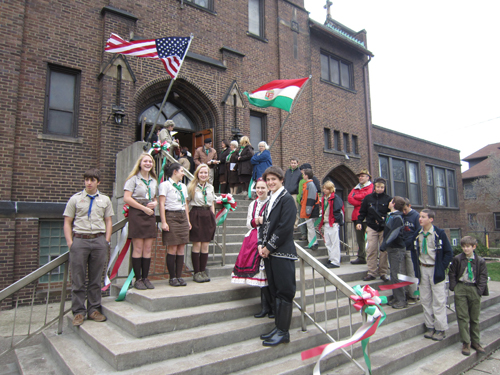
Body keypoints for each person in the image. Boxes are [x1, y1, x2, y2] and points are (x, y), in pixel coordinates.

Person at [63, 169, 113, 326]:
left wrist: (106, 240)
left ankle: (93, 310)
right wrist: (71, 243)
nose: (89, 182)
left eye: (92, 180)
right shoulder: (75, 199)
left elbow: (108, 220)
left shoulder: (105, 200)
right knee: (78, 278)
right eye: (86, 179)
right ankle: (78, 312)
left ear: (98, 182)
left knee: (95, 278)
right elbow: (67, 222)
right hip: (80, 240)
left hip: (98, 241)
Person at [258, 166, 297, 346]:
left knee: (284, 292)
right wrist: (261, 245)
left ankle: (283, 332)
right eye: (268, 179)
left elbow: (284, 227)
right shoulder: (271, 199)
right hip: (270, 254)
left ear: (282, 180)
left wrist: (269, 246)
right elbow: (264, 225)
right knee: (275, 291)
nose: (271, 182)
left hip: (282, 253)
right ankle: (278, 328)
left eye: (274, 179)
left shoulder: (287, 199)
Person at [231, 178, 273, 318]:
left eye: (263, 188)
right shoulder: (253, 204)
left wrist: (264, 221)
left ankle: (271, 307)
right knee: (261, 274)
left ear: (268, 189)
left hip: (267, 238)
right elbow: (248, 224)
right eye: (258, 188)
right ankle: (265, 307)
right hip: (254, 239)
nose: (260, 191)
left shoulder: (272, 202)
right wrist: (256, 220)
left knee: (267, 275)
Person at [415, 209, 453, 342]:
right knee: (425, 299)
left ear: (431, 219)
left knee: (439, 300)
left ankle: (440, 328)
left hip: (435, 270)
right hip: (423, 269)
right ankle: (429, 326)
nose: (420, 219)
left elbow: (449, 252)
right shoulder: (418, 234)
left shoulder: (439, 233)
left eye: (423, 217)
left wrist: (441, 267)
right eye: (419, 216)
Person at [123, 153, 158, 290]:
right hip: (138, 213)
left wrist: (154, 203)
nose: (148, 163)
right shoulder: (133, 179)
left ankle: (145, 278)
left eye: (150, 161)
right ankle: (137, 279)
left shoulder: (154, 180)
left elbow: (155, 198)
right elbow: (127, 198)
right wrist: (143, 208)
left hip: (149, 213)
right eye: (145, 161)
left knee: (148, 248)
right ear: (140, 163)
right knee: (138, 247)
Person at [449, 236, 488, 356]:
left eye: (468, 247)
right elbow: (452, 272)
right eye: (464, 247)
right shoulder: (458, 259)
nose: (466, 249)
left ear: (474, 247)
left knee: (474, 317)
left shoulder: (480, 261)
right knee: (462, 316)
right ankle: (466, 342)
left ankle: (475, 341)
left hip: (474, 289)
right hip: (461, 287)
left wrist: (479, 290)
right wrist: (455, 287)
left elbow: (483, 276)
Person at [159, 163, 192, 287]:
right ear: (175, 172)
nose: (183, 173)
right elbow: (161, 204)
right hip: (171, 216)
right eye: (182, 171)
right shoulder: (165, 185)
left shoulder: (183, 186)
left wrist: (188, 220)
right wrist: (164, 221)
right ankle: (172, 277)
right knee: (172, 247)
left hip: (182, 216)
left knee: (181, 247)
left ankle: (179, 276)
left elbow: (185, 204)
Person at [356, 177, 392, 282]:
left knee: (384, 250)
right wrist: (359, 222)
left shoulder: (388, 199)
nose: (380, 189)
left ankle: (383, 272)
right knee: (371, 249)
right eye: (378, 187)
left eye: (382, 187)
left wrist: (384, 218)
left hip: (383, 227)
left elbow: (391, 212)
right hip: (371, 226)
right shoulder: (368, 198)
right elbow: (362, 211)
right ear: (374, 187)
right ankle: (371, 272)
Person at [187, 164, 216, 283]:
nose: (203, 175)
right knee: (197, 245)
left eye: (206, 173)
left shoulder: (210, 187)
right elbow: (186, 202)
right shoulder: (191, 186)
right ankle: (196, 272)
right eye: (201, 173)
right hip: (196, 214)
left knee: (205, 245)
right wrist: (188, 219)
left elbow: (212, 203)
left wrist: (213, 216)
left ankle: (203, 271)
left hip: (207, 215)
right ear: (197, 174)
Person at [380, 196, 407, 309]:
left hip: (397, 249)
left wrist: (384, 244)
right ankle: (396, 297)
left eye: (391, 201)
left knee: (397, 275)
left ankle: (401, 300)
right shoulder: (391, 216)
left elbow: (394, 233)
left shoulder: (397, 218)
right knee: (393, 274)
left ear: (394, 204)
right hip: (392, 249)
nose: (389, 202)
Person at [348, 169, 373, 265]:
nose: (360, 177)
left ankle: (371, 257)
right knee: (360, 239)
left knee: (370, 238)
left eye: (362, 176)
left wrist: (357, 197)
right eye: (359, 176)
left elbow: (367, 196)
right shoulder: (355, 187)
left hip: (367, 216)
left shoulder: (371, 187)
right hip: (356, 216)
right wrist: (361, 201)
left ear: (368, 177)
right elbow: (350, 198)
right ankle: (361, 257)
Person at [318, 181, 344, 268]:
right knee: (328, 242)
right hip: (326, 222)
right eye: (324, 188)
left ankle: (335, 261)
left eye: (326, 188)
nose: (324, 190)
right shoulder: (325, 198)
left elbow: (338, 210)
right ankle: (331, 258)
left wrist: (336, 220)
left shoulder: (335, 198)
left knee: (334, 242)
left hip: (332, 222)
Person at [402, 198, 421, 304]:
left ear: (409, 206)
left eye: (405, 209)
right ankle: (405, 293)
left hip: (411, 248)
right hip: (402, 247)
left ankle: (413, 295)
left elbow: (418, 232)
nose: (404, 212)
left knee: (411, 272)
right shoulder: (401, 215)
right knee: (403, 272)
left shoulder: (416, 216)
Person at [299, 168, 320, 251]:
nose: (303, 175)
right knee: (310, 227)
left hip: (309, 210)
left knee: (310, 227)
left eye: (304, 174)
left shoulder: (310, 185)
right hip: (308, 209)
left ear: (306, 176)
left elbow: (311, 198)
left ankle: (313, 243)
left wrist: (308, 210)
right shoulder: (309, 184)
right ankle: (312, 242)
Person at [284, 158, 302, 229]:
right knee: (287, 209)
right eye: (292, 163)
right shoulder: (287, 171)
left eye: (294, 163)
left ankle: (295, 225)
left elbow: (300, 184)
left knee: (295, 209)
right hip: (287, 193)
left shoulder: (299, 172)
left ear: (297, 163)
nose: (293, 164)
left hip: (294, 193)